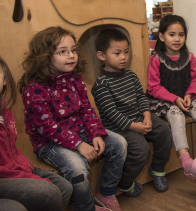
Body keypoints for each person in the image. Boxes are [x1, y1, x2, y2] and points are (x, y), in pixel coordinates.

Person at [18, 26, 127, 211]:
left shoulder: (74, 79)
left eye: (73, 50)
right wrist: (78, 145)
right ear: (45, 57)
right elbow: (48, 127)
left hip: (79, 132)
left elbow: (86, 109)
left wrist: (95, 133)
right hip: (49, 143)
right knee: (78, 169)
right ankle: (85, 207)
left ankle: (106, 193)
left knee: (119, 144)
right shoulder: (34, 89)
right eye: (63, 52)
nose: (71, 56)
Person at [91, 29, 172, 196]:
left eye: (126, 52)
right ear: (101, 55)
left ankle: (157, 168)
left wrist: (147, 116)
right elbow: (111, 113)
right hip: (118, 127)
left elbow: (141, 98)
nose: (123, 57)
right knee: (140, 149)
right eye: (117, 53)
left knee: (164, 131)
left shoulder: (131, 75)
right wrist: (135, 127)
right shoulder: (101, 84)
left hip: (138, 118)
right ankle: (125, 183)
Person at [0, 55, 73, 211]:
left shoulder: (5, 108)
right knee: (48, 192)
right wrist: (29, 178)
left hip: (15, 167)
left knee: (64, 186)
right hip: (4, 175)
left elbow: (10, 150)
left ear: (5, 79)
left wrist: (25, 169)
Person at [146, 15, 196, 181]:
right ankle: (186, 161)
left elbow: (195, 79)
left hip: (188, 96)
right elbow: (153, 87)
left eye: (181, 35)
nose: (177, 39)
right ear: (161, 36)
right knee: (176, 116)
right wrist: (174, 99)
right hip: (166, 99)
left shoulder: (189, 57)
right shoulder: (156, 59)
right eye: (172, 34)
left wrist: (189, 94)